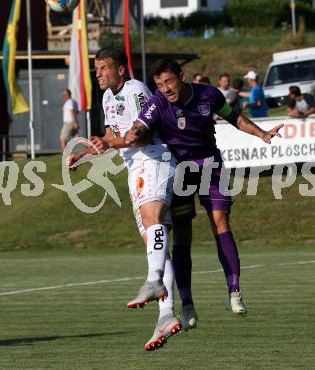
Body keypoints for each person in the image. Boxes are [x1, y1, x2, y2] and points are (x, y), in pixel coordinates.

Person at [125, 59, 283, 326]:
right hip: (179, 171)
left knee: (221, 222)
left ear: (182, 77)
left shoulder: (208, 95)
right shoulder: (158, 102)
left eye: (169, 81)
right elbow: (142, 123)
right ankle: (187, 305)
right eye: (160, 84)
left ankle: (234, 291)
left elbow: (234, 117)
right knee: (183, 235)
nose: (165, 89)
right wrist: (134, 131)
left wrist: (262, 134)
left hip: (211, 166)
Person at [66, 48, 181, 351]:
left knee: (153, 221)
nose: (99, 73)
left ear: (121, 69)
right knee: (155, 244)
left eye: (104, 67)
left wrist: (109, 142)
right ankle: (166, 314)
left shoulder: (136, 90)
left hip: (154, 158)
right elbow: (110, 135)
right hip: (135, 167)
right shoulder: (107, 98)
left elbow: (142, 135)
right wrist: (85, 154)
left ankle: (154, 281)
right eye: (96, 68)